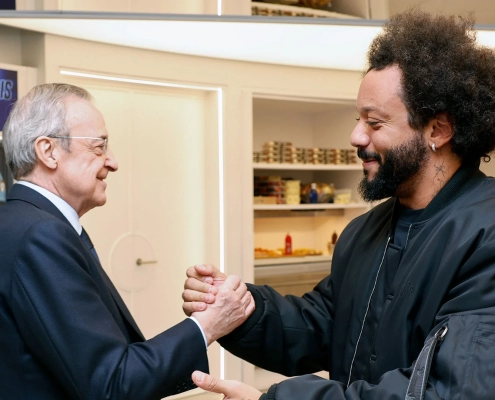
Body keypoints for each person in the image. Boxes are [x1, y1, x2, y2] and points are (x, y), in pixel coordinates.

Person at [182, 9, 495, 400]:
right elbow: (321, 325)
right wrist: (240, 308)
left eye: (374, 123)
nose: (355, 136)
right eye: (357, 119)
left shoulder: (487, 235)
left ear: (439, 129)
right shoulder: (363, 232)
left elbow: (446, 391)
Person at [0, 83, 254, 399]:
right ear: (48, 151)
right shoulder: (41, 235)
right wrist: (208, 324)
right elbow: (110, 383)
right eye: (98, 146)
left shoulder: (20, 223)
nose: (113, 162)